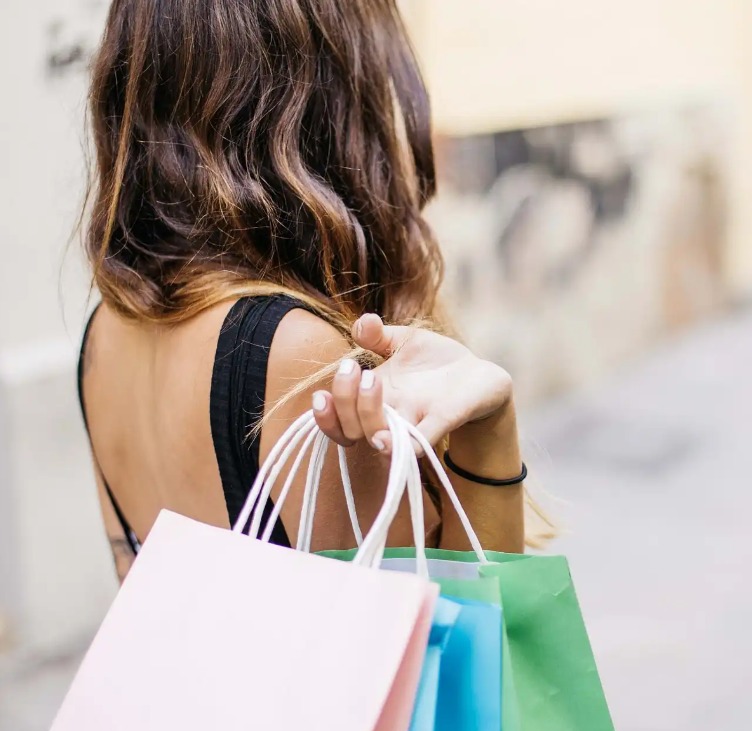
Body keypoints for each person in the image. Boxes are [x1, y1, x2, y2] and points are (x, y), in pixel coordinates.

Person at [77, 0, 553, 583]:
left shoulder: (105, 331)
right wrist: (492, 430)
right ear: (337, 101)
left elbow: (137, 585)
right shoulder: (300, 354)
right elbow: (460, 644)